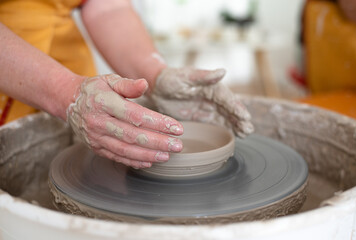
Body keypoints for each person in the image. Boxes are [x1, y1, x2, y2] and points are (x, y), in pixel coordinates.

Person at [0, 0, 253, 169]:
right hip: (13, 64)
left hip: (62, 56)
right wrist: (67, 93)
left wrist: (155, 75)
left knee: (72, 165)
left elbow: (108, 7)